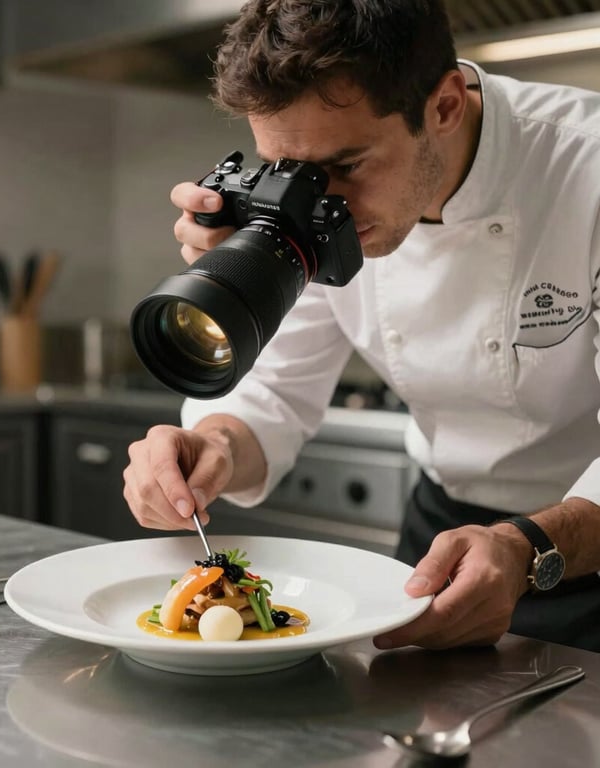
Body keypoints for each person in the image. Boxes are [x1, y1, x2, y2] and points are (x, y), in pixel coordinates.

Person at [122, 0, 600, 652]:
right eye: (288, 172)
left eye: (347, 167)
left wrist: (526, 545)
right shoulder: (318, 204)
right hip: (446, 534)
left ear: (446, 106)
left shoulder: (588, 171)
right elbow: (274, 394)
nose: (320, 203)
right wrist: (216, 448)